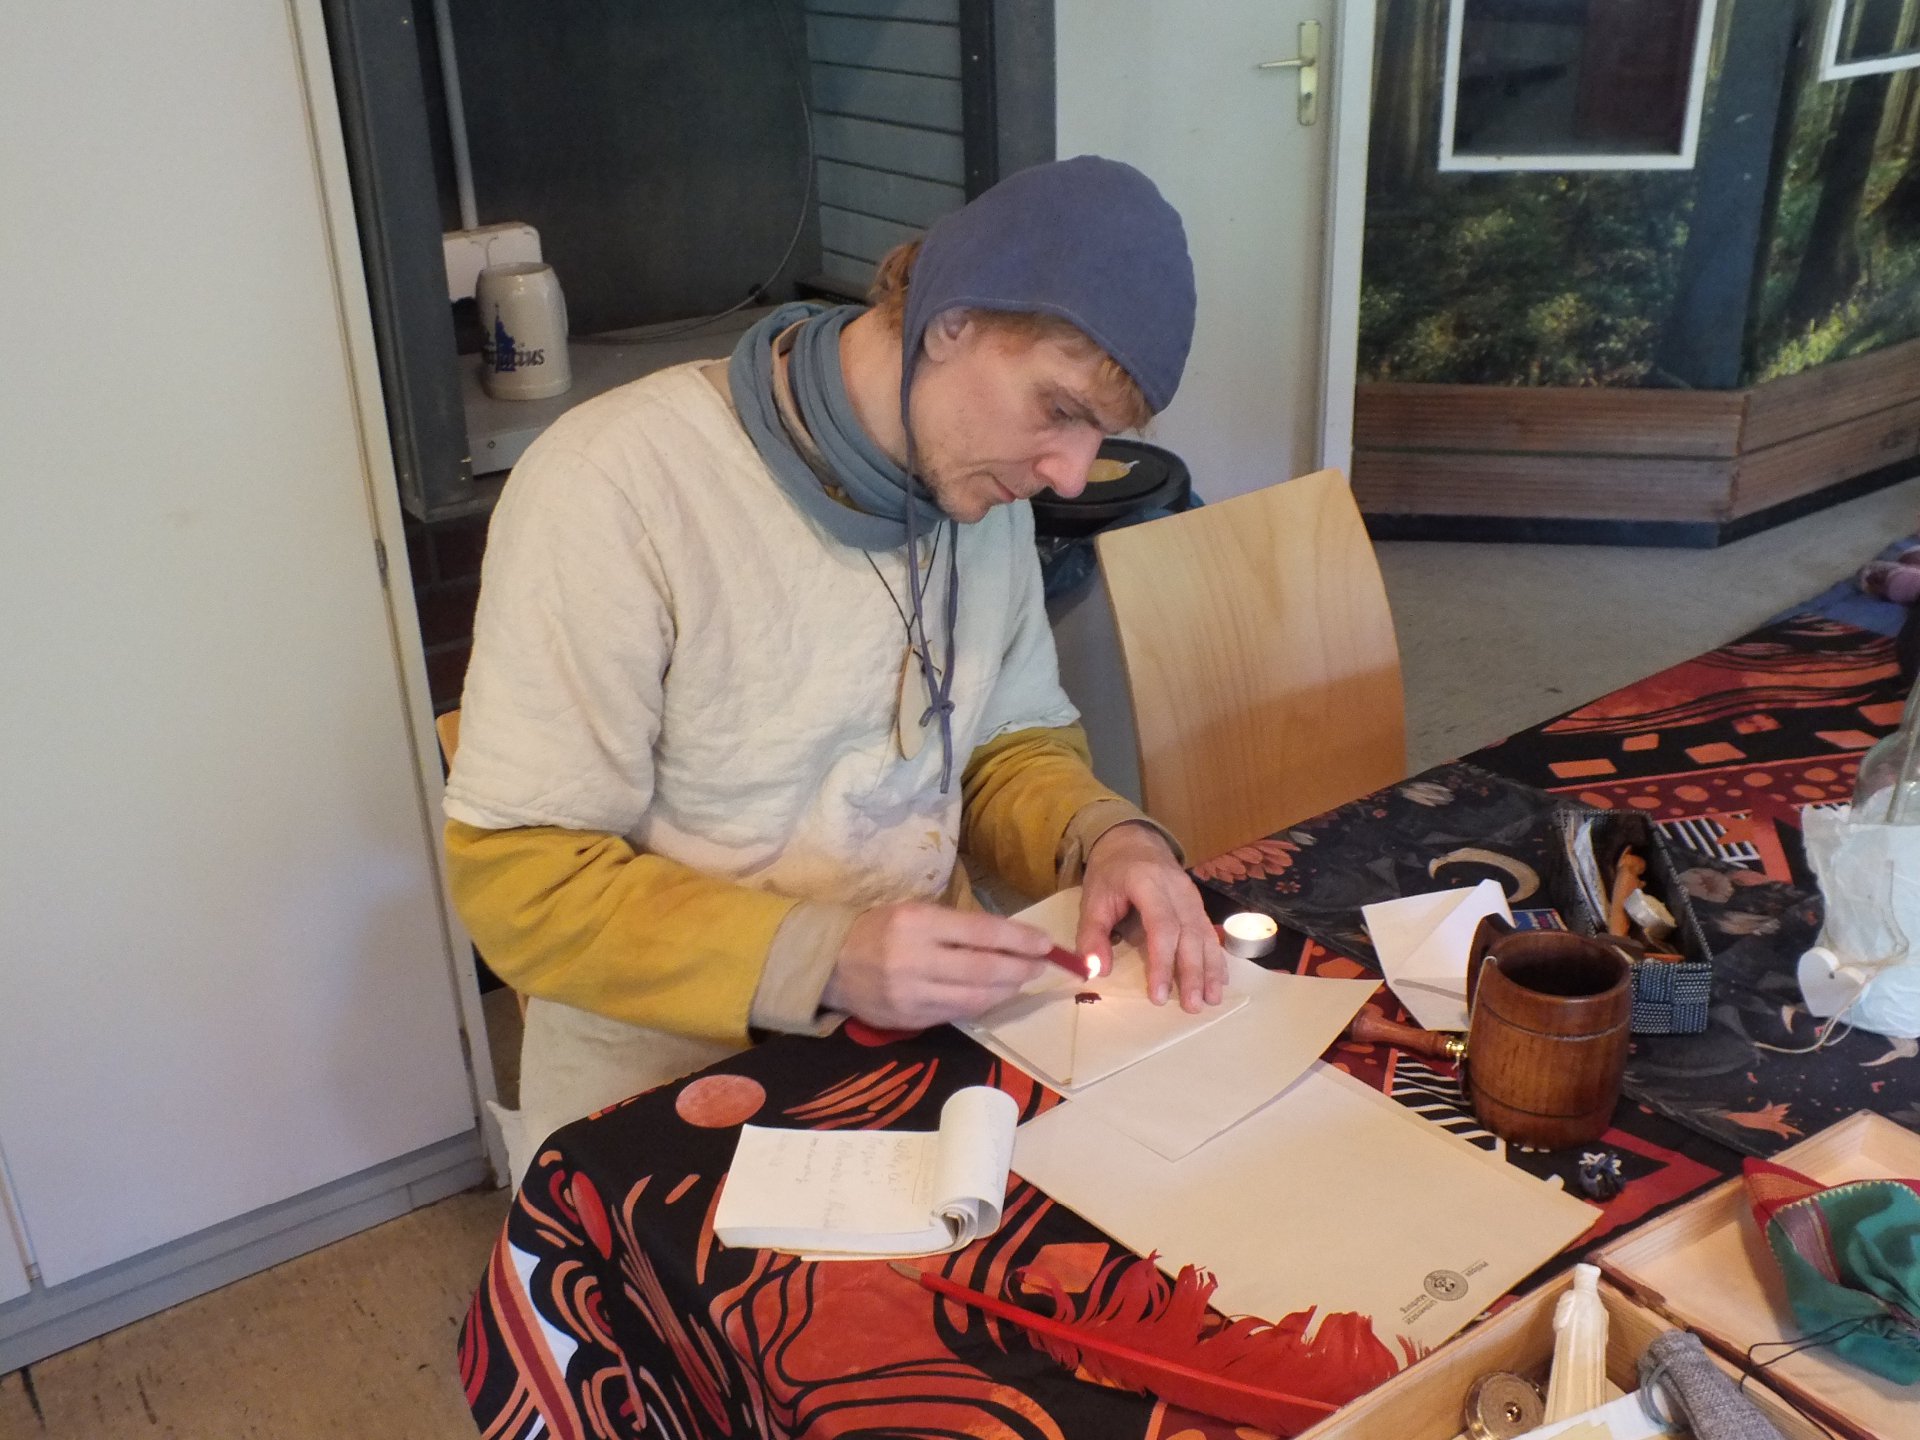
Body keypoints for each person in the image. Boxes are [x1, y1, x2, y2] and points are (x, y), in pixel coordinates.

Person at [442, 156, 1227, 1181]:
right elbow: (521, 880)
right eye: (1058, 409)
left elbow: (1006, 745)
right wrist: (829, 958)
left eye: (1099, 436)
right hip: (669, 1081)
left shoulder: (980, 490)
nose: (1071, 476)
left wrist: (1106, 839)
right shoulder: (615, 487)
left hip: (919, 1035)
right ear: (951, 320)